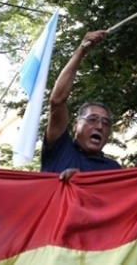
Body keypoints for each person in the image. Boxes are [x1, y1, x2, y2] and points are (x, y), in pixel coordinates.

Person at [42, 30, 121, 180]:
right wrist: (81, 51)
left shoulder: (114, 170)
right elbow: (57, 101)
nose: (99, 126)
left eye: (106, 123)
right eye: (92, 119)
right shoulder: (60, 149)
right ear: (75, 125)